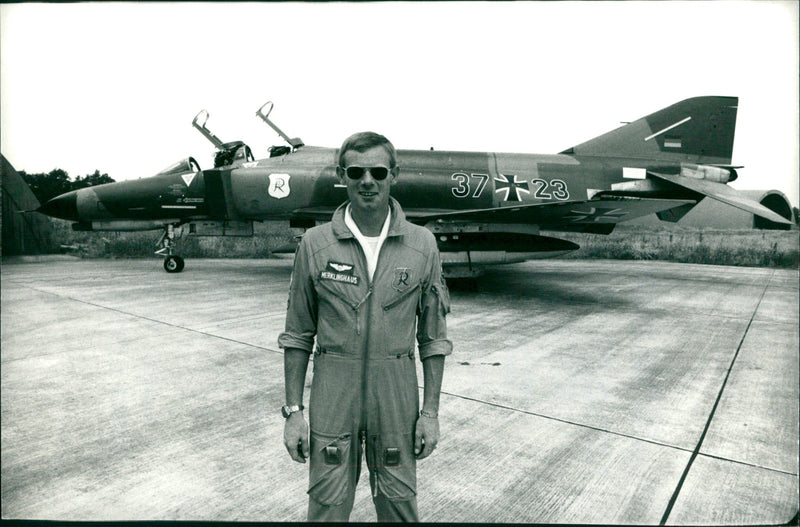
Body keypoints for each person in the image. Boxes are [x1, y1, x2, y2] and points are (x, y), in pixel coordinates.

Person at [278, 131, 452, 522]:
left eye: (377, 171)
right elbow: (297, 334)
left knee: (398, 504)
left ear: (394, 174)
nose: (367, 180)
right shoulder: (316, 244)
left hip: (396, 394)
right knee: (326, 506)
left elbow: (434, 339)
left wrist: (431, 413)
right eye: (356, 172)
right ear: (342, 175)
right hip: (332, 393)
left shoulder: (422, 245)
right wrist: (293, 413)